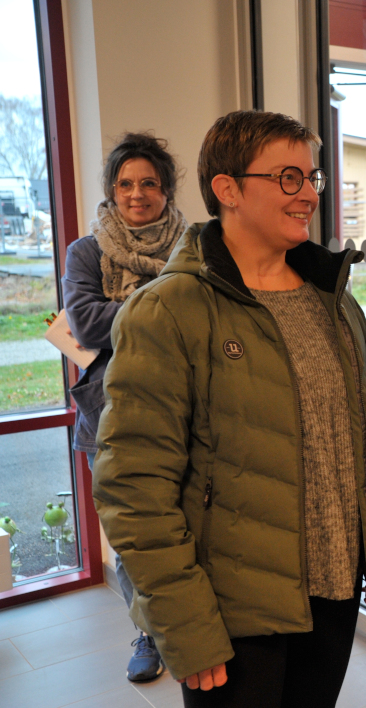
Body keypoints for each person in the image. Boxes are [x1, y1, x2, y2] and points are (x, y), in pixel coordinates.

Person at [92, 110, 366, 708]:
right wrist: (185, 625)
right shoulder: (168, 310)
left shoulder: (334, 301)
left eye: (310, 178)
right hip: (233, 615)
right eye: (287, 178)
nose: (306, 195)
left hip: (333, 594)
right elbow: (133, 489)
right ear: (228, 189)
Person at [62, 131, 187, 683]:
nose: (137, 194)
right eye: (125, 183)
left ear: (167, 190)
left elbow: (207, 315)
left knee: (188, 528)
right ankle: (149, 634)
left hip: (186, 412)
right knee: (135, 540)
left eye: (149, 183)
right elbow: (85, 322)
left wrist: (125, 308)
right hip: (109, 419)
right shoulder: (85, 252)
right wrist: (164, 305)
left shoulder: (194, 246)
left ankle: (194, 628)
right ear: (112, 191)